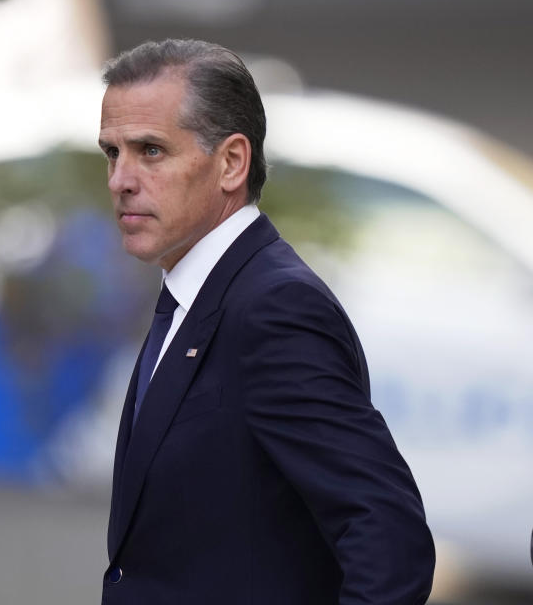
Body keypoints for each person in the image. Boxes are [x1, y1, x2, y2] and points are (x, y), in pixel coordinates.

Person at [97, 39, 435, 604]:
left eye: (150, 151)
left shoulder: (274, 309)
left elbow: (389, 541)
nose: (120, 179)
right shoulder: (195, 294)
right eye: (112, 153)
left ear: (231, 162)